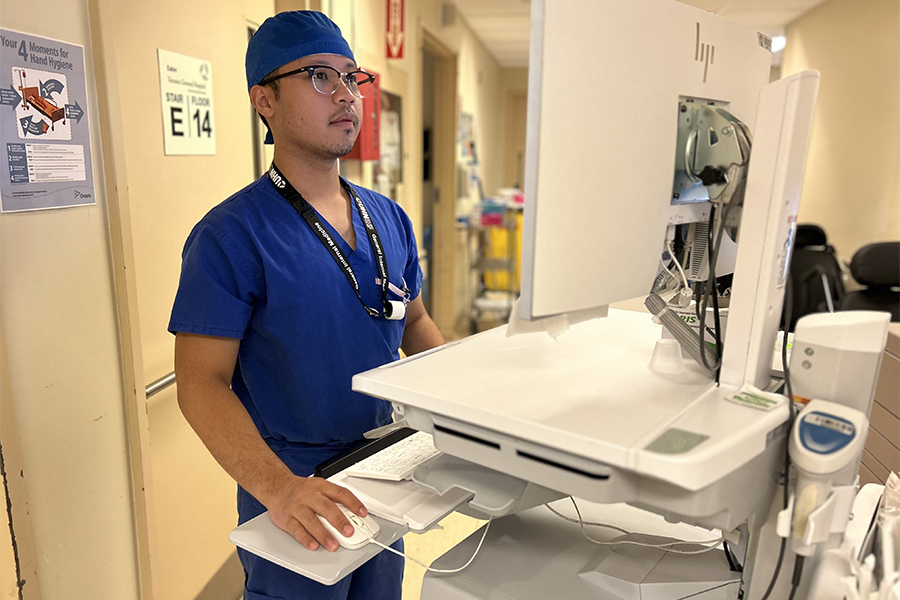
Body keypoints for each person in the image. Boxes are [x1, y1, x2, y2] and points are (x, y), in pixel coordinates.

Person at [168, 11, 445, 600]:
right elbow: (199, 383)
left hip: (383, 470)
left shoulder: (388, 218)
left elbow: (415, 323)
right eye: (320, 76)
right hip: (294, 491)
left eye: (352, 77)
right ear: (263, 99)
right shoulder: (231, 236)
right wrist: (280, 490)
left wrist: (468, 413)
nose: (346, 94)